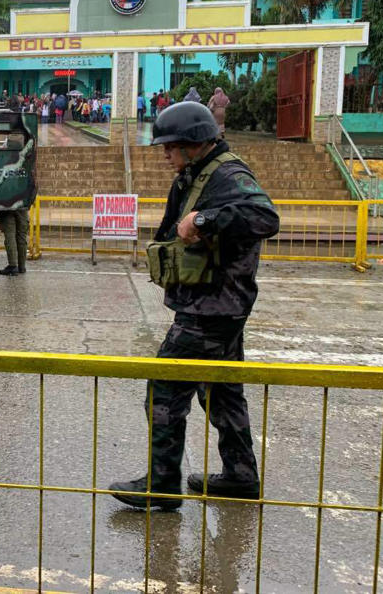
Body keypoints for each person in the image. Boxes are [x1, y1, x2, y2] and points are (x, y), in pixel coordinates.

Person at [109, 102, 279, 510]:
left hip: (213, 309)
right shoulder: (196, 174)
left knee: (164, 389)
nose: (165, 155)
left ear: (195, 143)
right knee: (220, 391)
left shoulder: (227, 174)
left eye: (170, 147)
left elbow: (265, 217)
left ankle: (162, 485)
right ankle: (240, 476)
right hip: (218, 305)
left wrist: (205, 221)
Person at [0, 206, 29, 276]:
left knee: (10, 235)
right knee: (22, 237)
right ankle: (21, 267)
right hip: (23, 204)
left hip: (7, 206)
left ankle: (13, 266)